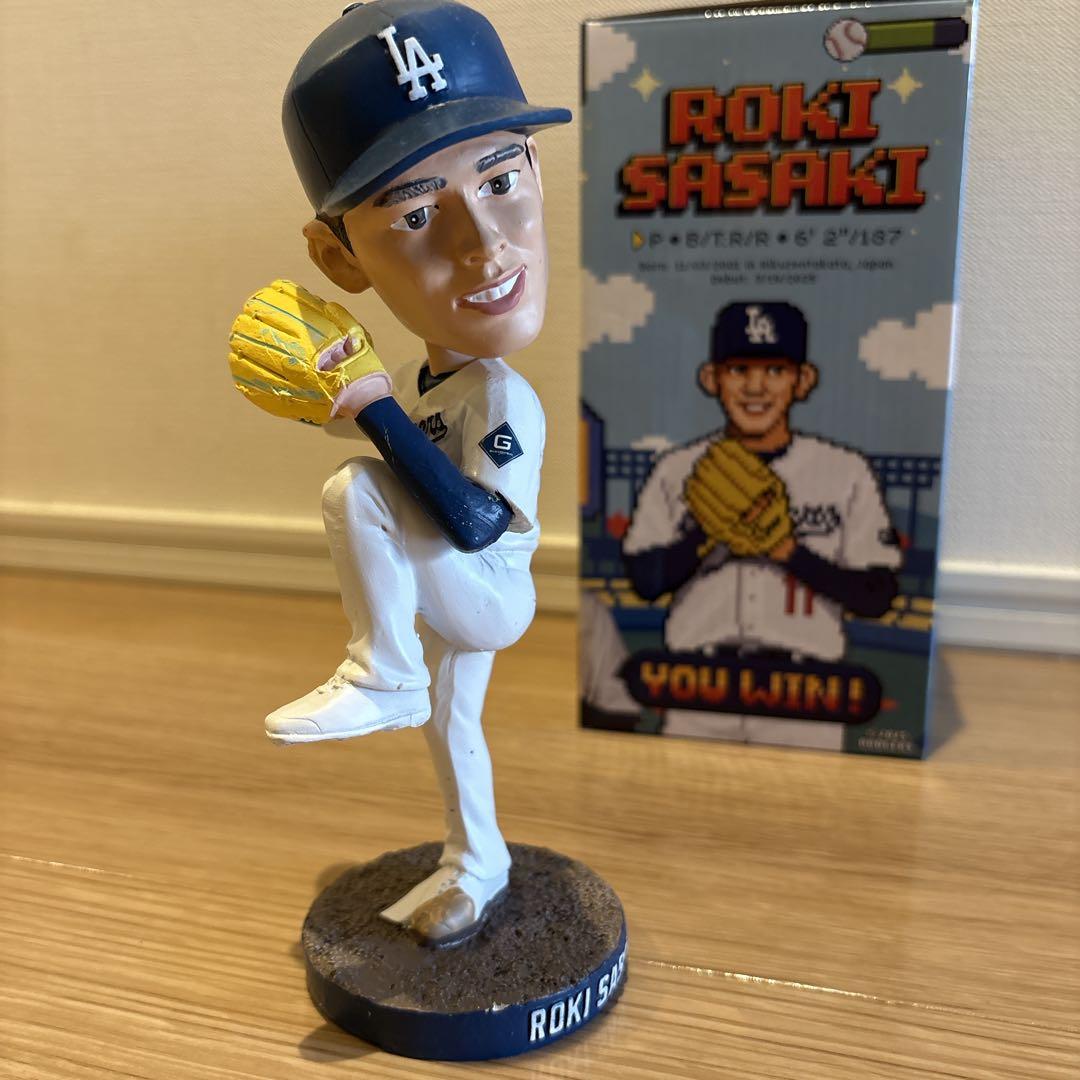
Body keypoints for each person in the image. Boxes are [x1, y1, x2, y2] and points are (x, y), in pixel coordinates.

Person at [262, 0, 570, 946]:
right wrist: (341, 398)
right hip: (449, 584)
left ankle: (385, 671)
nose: (485, 244)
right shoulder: (414, 380)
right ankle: (476, 863)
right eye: (418, 212)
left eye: (501, 178)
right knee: (451, 726)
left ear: (537, 170)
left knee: (353, 488)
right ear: (338, 258)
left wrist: (373, 413)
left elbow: (476, 524)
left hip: (491, 589)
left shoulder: (501, 396)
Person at [622, 301, 902, 750]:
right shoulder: (677, 470)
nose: (755, 386)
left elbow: (877, 594)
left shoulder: (846, 471)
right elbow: (643, 580)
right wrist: (707, 533)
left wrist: (788, 552)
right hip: (697, 686)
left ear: (803, 380)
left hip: (808, 694)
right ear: (711, 379)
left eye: (775, 369)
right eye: (739, 369)